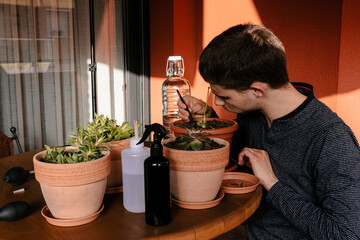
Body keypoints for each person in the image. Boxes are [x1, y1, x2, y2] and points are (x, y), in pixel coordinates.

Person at [177, 24, 360, 239]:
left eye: (224, 97)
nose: (216, 101)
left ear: (257, 90)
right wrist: (206, 117)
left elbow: (346, 234)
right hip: (243, 227)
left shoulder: (331, 139)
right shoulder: (254, 112)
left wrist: (272, 183)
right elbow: (237, 156)